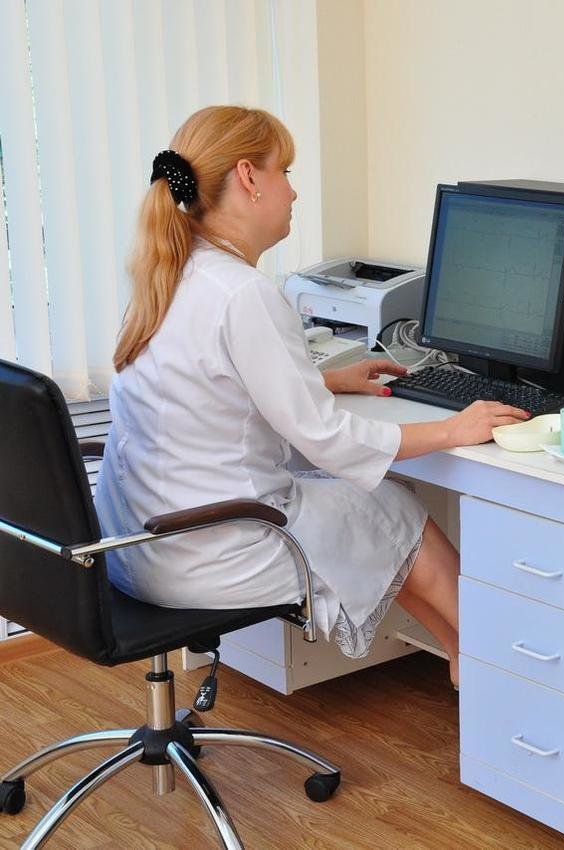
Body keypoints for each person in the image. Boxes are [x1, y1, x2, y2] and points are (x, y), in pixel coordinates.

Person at [95, 106, 527, 688]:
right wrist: (454, 428)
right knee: (394, 510)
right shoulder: (241, 292)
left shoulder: (168, 274)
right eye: (286, 171)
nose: (293, 191)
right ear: (248, 177)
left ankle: (463, 660)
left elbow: (202, 392)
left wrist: (323, 381)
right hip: (209, 553)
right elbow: (329, 440)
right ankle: (499, 675)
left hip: (136, 549)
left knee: (373, 514)